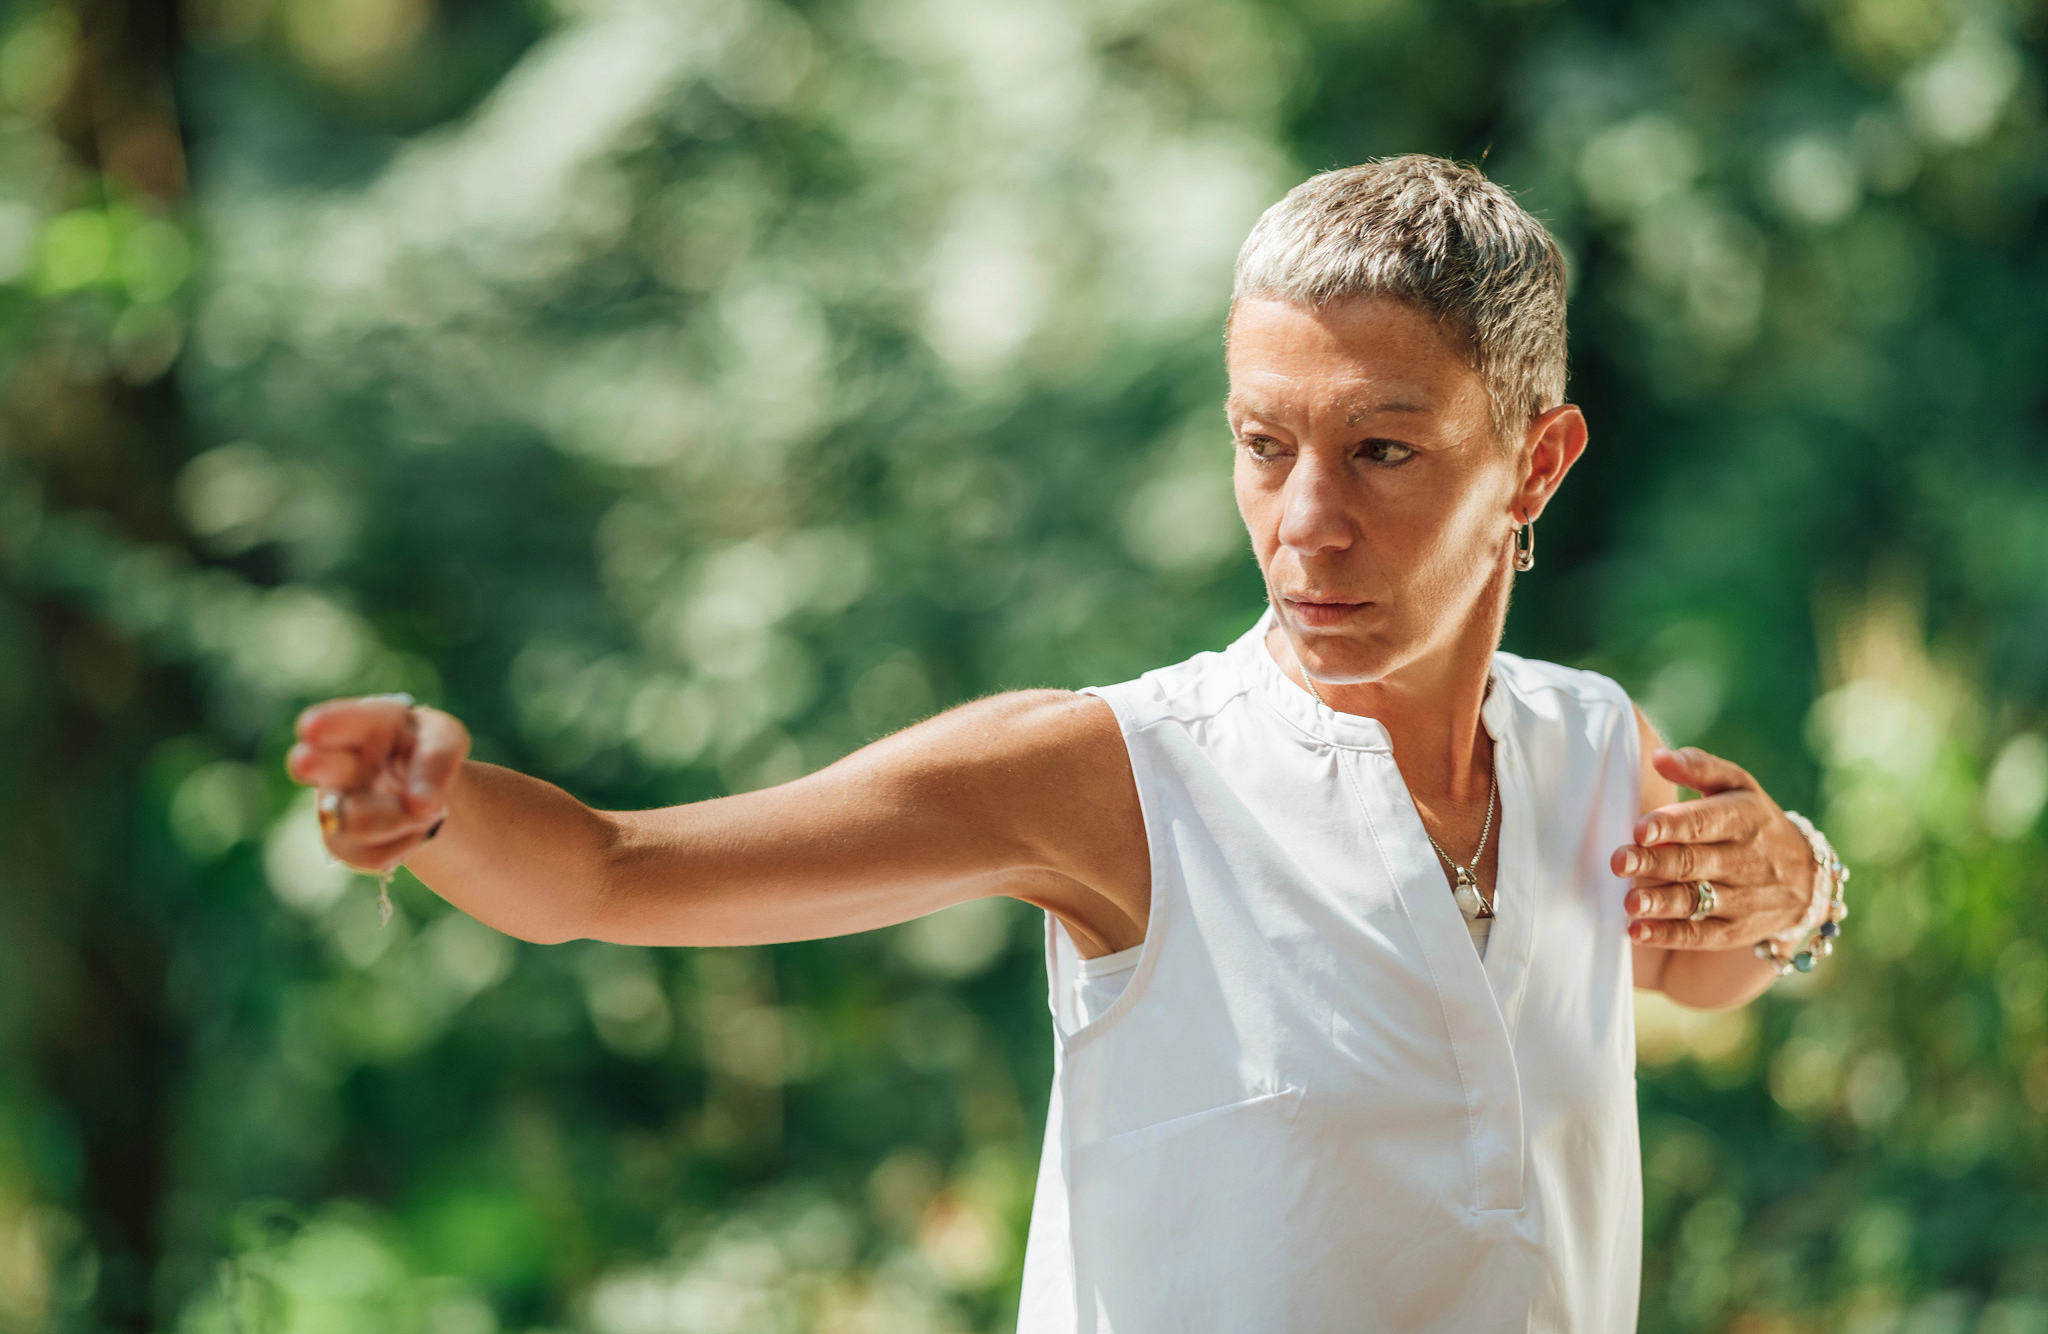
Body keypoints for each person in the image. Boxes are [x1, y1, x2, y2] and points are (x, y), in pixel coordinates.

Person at [286, 156, 1845, 1333]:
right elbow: (612, 874)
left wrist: (1798, 886)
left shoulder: (1584, 740)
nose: (1308, 522)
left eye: (1381, 449)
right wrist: (437, 801)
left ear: (1537, 464)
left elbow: (1695, 958)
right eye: (1263, 443)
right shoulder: (1118, 778)